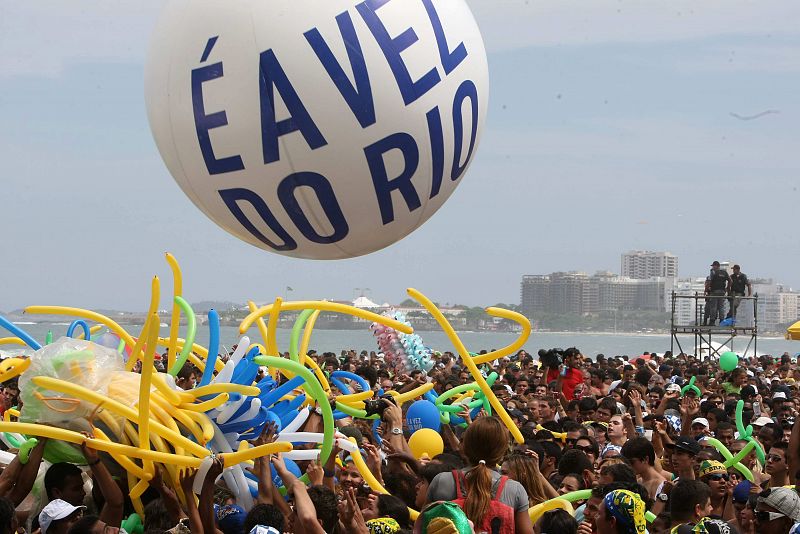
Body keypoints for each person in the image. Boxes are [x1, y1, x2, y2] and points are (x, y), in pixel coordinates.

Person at [427, 417, 533, 534]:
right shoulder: (515, 490)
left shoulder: (441, 481)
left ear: (465, 447)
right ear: (502, 452)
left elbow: (424, 526)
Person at [706, 261, 730, 326]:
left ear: (717, 266)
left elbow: (709, 281)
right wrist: (727, 288)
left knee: (713, 307)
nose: (713, 267)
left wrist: (706, 290)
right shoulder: (724, 272)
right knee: (721, 307)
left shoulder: (713, 272)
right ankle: (722, 321)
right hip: (722, 292)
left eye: (713, 266)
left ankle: (712, 321)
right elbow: (730, 280)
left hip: (714, 292)